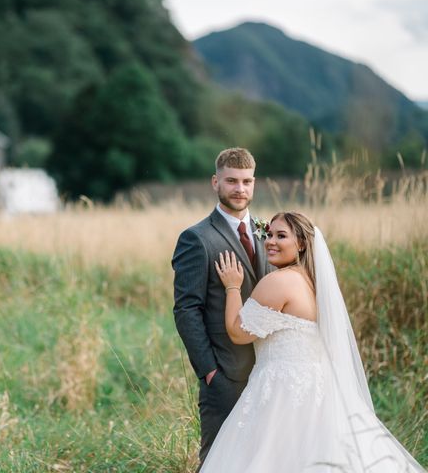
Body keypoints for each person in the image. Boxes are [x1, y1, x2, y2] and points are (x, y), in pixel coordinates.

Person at [200, 212, 426, 472]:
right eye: (269, 234)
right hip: (322, 389)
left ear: (302, 243)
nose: (271, 241)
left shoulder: (278, 281)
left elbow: (238, 333)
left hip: (280, 391)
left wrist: (231, 286)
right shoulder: (315, 283)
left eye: (281, 236)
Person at [172, 147, 273, 468]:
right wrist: (209, 371)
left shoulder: (267, 231)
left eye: (246, 181)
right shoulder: (196, 238)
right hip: (226, 372)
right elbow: (187, 309)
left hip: (271, 367)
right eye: (231, 181)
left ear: (254, 183)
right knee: (219, 459)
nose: (239, 189)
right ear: (216, 182)